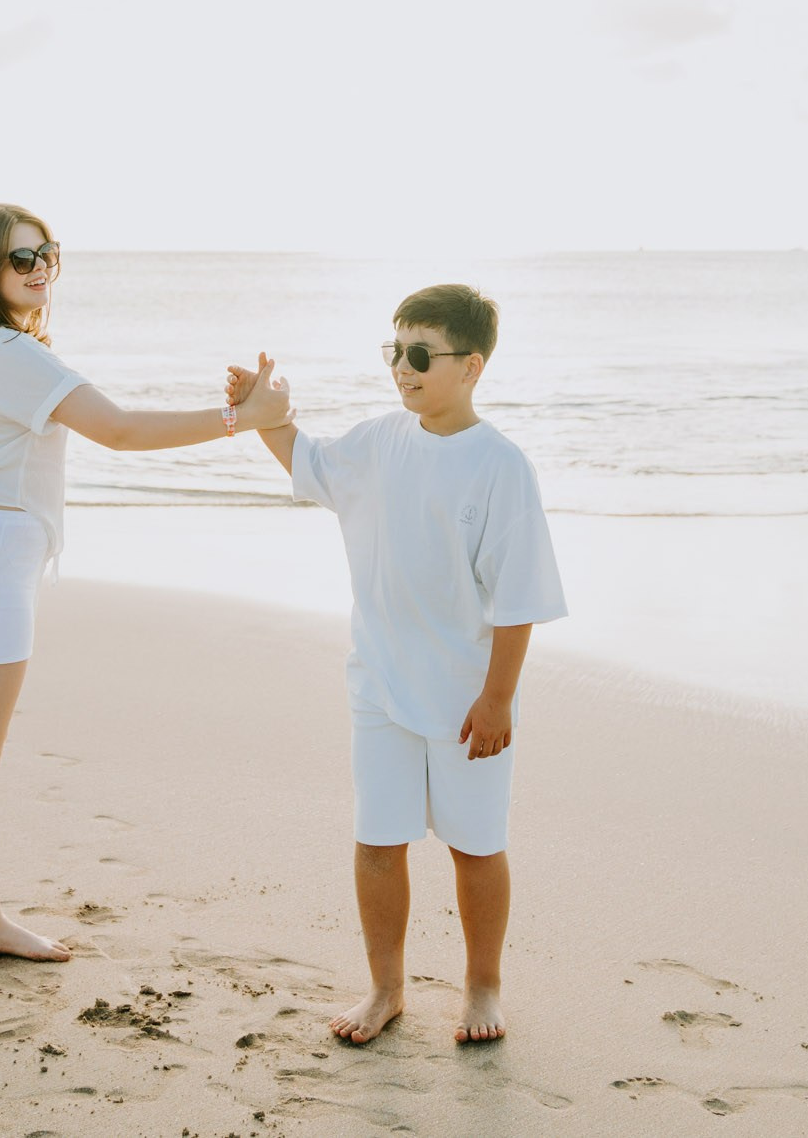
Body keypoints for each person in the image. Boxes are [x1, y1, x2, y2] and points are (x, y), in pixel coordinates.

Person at [0, 201, 290, 1050]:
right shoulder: (10, 353)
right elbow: (121, 429)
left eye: (48, 253)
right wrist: (238, 421)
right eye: (19, 257)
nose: (40, 268)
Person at [226, 283, 567, 1046]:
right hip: (378, 682)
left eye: (421, 354)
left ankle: (483, 986)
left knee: (476, 846)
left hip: (465, 699)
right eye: (395, 351)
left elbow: (518, 598)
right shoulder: (380, 440)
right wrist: (262, 412)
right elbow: (307, 461)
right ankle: (386, 986)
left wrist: (499, 699)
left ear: (471, 365)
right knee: (378, 841)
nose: (403, 368)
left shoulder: (500, 466)